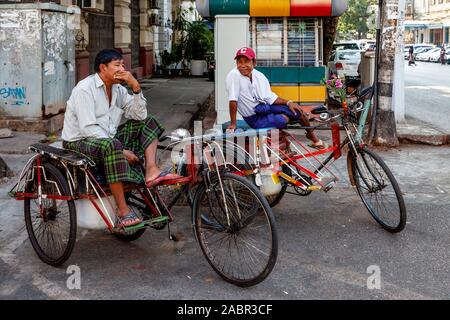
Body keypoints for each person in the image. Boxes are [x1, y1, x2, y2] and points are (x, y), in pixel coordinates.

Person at [61, 49, 180, 228]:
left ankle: (151, 170)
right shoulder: (84, 89)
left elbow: (139, 115)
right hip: (78, 141)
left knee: (149, 122)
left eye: (123, 65)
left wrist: (136, 88)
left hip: (107, 138)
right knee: (112, 145)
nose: (122, 69)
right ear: (103, 68)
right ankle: (123, 210)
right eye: (117, 65)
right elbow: (88, 128)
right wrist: (122, 151)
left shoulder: (118, 89)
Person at [225, 47, 327, 149]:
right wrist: (233, 123)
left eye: (246, 61)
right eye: (239, 62)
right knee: (283, 119)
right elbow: (233, 100)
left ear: (254, 62)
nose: (242, 65)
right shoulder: (234, 75)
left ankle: (313, 138)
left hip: (265, 107)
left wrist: (289, 102)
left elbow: (270, 98)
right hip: (253, 117)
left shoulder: (259, 76)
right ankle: (282, 135)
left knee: (297, 110)